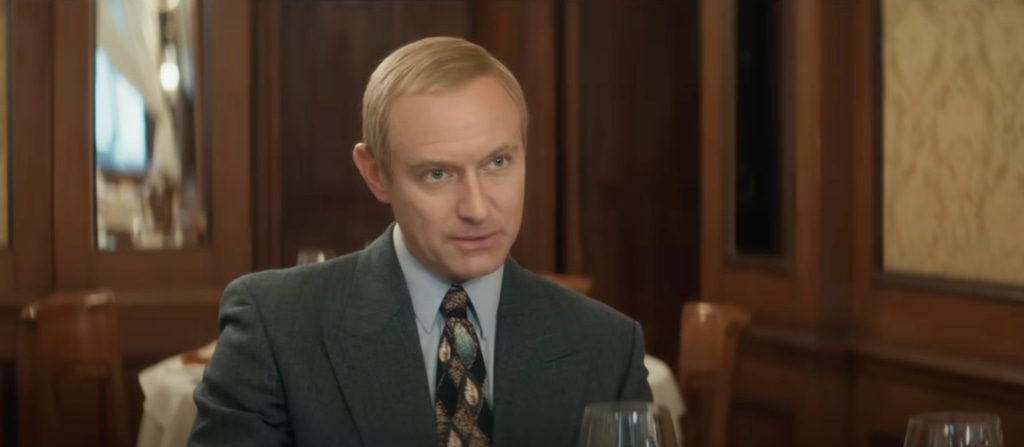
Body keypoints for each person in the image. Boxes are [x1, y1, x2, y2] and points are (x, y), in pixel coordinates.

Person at [188, 36, 652, 447]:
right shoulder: (275, 327)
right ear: (376, 174)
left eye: (497, 163)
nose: (476, 207)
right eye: (437, 173)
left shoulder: (607, 347)